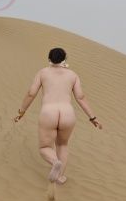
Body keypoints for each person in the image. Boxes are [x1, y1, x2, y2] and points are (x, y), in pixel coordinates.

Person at [13, 47, 103, 186]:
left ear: (49, 59)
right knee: (62, 144)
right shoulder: (73, 75)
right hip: (67, 113)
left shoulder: (43, 73)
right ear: (64, 59)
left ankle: (55, 162)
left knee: (44, 148)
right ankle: (60, 177)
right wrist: (93, 117)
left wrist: (21, 112)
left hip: (49, 112)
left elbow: (31, 93)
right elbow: (80, 97)